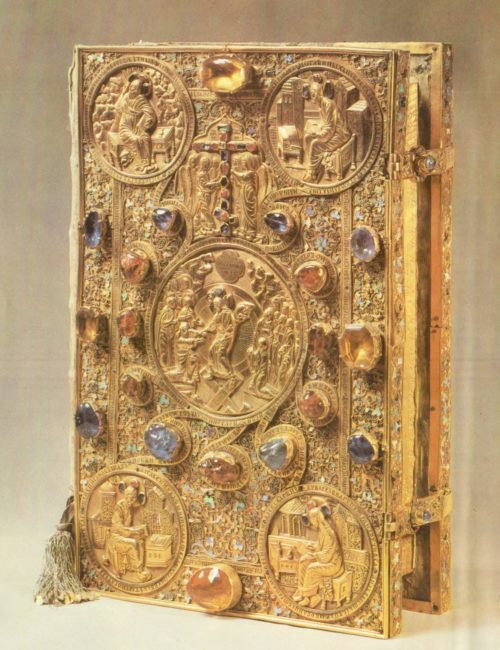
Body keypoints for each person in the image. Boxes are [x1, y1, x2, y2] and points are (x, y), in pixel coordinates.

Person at [293, 497, 344, 608]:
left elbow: (327, 555)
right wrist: (314, 547)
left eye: (311, 519)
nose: (311, 522)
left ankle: (311, 597)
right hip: (325, 559)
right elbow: (322, 547)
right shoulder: (322, 532)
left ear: (316, 519)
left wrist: (314, 555)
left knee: (311, 568)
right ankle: (302, 593)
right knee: (303, 561)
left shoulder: (329, 533)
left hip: (333, 564)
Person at [303, 77, 351, 183]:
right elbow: (325, 123)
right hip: (331, 133)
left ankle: (312, 173)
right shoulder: (321, 105)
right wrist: (316, 130)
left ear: (319, 93)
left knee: (315, 144)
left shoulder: (328, 104)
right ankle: (313, 166)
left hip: (340, 135)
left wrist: (318, 135)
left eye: (314, 94)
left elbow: (330, 128)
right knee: (307, 137)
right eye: (311, 94)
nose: (311, 96)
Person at [104, 485, 151, 583]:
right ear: (126, 496)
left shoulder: (130, 508)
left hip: (124, 534)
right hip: (116, 537)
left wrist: (138, 529)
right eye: (131, 497)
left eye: (134, 497)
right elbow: (118, 527)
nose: (133, 499)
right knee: (133, 543)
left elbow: (128, 526)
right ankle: (138, 571)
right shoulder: (119, 507)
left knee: (141, 541)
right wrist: (133, 531)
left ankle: (140, 569)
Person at [112, 73, 158, 173]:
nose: (132, 89)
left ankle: (148, 163)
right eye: (131, 87)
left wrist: (147, 122)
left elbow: (150, 112)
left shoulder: (141, 99)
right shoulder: (125, 98)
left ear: (140, 90)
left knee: (145, 137)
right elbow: (118, 107)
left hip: (138, 127)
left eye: (135, 88)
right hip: (125, 127)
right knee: (136, 139)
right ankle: (140, 163)